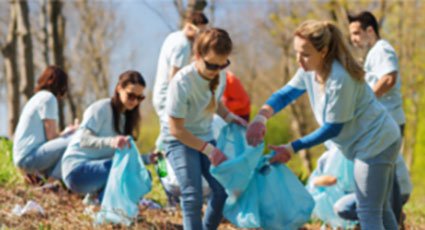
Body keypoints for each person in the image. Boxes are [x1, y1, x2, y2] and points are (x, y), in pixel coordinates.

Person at [246, 20, 402, 230]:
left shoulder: (340, 78)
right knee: (381, 210)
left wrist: (291, 147)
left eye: (306, 53)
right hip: (376, 139)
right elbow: (285, 94)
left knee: (368, 211)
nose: (299, 60)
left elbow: (332, 128)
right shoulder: (310, 69)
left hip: (375, 142)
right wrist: (261, 118)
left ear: (324, 51)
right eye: (297, 52)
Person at [162, 28, 247, 230]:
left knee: (222, 190)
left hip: (205, 136)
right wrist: (210, 150)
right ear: (197, 56)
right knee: (192, 195)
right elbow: (176, 130)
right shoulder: (182, 82)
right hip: (179, 140)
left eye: (222, 65)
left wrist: (231, 118)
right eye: (211, 65)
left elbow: (215, 102)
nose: (216, 71)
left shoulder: (221, 76)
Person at [347, 11, 412, 223]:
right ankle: (393, 221)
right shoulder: (373, 53)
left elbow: (388, 78)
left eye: (357, 33)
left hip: (390, 120)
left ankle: (395, 221)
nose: (353, 39)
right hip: (383, 123)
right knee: (385, 180)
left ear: (370, 30)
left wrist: (368, 101)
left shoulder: (382, 49)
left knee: (387, 180)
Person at [62, 71, 146, 197]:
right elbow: (83, 139)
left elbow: (126, 158)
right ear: (119, 88)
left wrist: (148, 158)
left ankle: (103, 205)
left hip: (100, 170)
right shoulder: (101, 108)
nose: (134, 101)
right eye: (131, 95)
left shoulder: (125, 119)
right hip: (76, 170)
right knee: (123, 170)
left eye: (139, 98)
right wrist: (111, 141)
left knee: (139, 172)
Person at [152, 12, 208, 153]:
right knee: (171, 133)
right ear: (190, 27)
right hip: (167, 96)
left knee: (168, 131)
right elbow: (174, 78)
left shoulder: (174, 36)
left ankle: (159, 157)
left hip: (159, 94)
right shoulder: (183, 45)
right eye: (200, 32)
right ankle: (159, 160)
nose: (201, 36)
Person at [13, 66, 78, 181]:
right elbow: (51, 137)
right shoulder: (49, 98)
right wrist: (70, 132)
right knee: (75, 140)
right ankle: (52, 182)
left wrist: (65, 133)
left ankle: (40, 178)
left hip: (23, 157)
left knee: (70, 140)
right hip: (28, 158)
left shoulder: (37, 98)